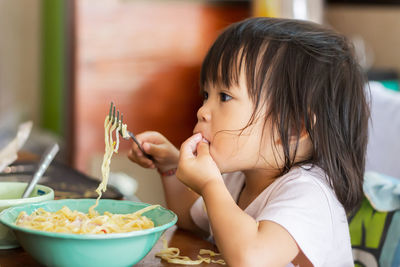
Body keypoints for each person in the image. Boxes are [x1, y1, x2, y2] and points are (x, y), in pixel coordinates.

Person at [128, 17, 369, 267]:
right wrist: (171, 167)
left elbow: (250, 259)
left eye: (224, 96)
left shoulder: (310, 195)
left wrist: (210, 185)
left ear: (293, 128)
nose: (202, 111)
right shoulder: (239, 179)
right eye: (206, 95)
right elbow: (192, 222)